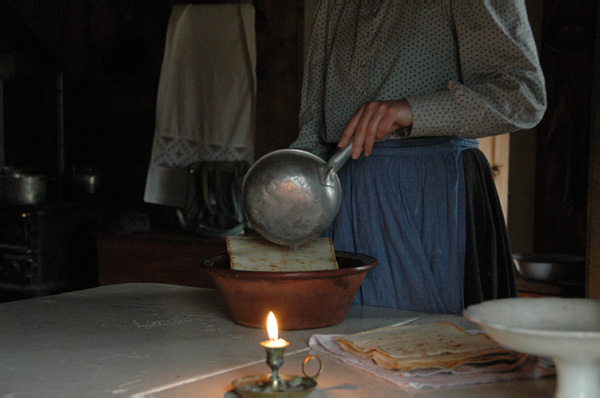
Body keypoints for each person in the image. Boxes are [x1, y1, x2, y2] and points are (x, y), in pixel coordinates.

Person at [290, 0, 547, 314]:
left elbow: (524, 96)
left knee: (422, 347)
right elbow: (313, 126)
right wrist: (288, 208)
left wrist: (411, 110)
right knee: (342, 340)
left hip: (431, 194)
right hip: (345, 193)